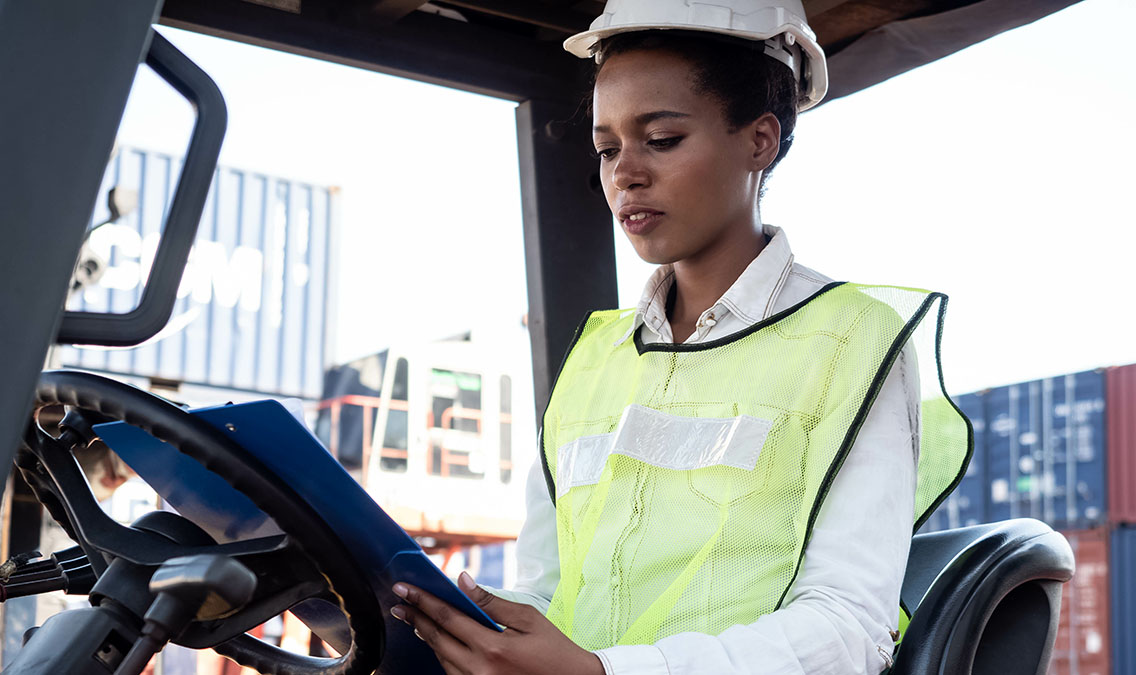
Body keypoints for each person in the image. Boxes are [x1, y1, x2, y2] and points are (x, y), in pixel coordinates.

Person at [387, 1, 970, 673]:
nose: (624, 173)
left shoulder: (854, 341)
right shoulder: (595, 355)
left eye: (661, 139)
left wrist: (605, 671)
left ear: (760, 140)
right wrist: (458, 625)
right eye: (608, 149)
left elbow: (847, 629)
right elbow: (547, 588)